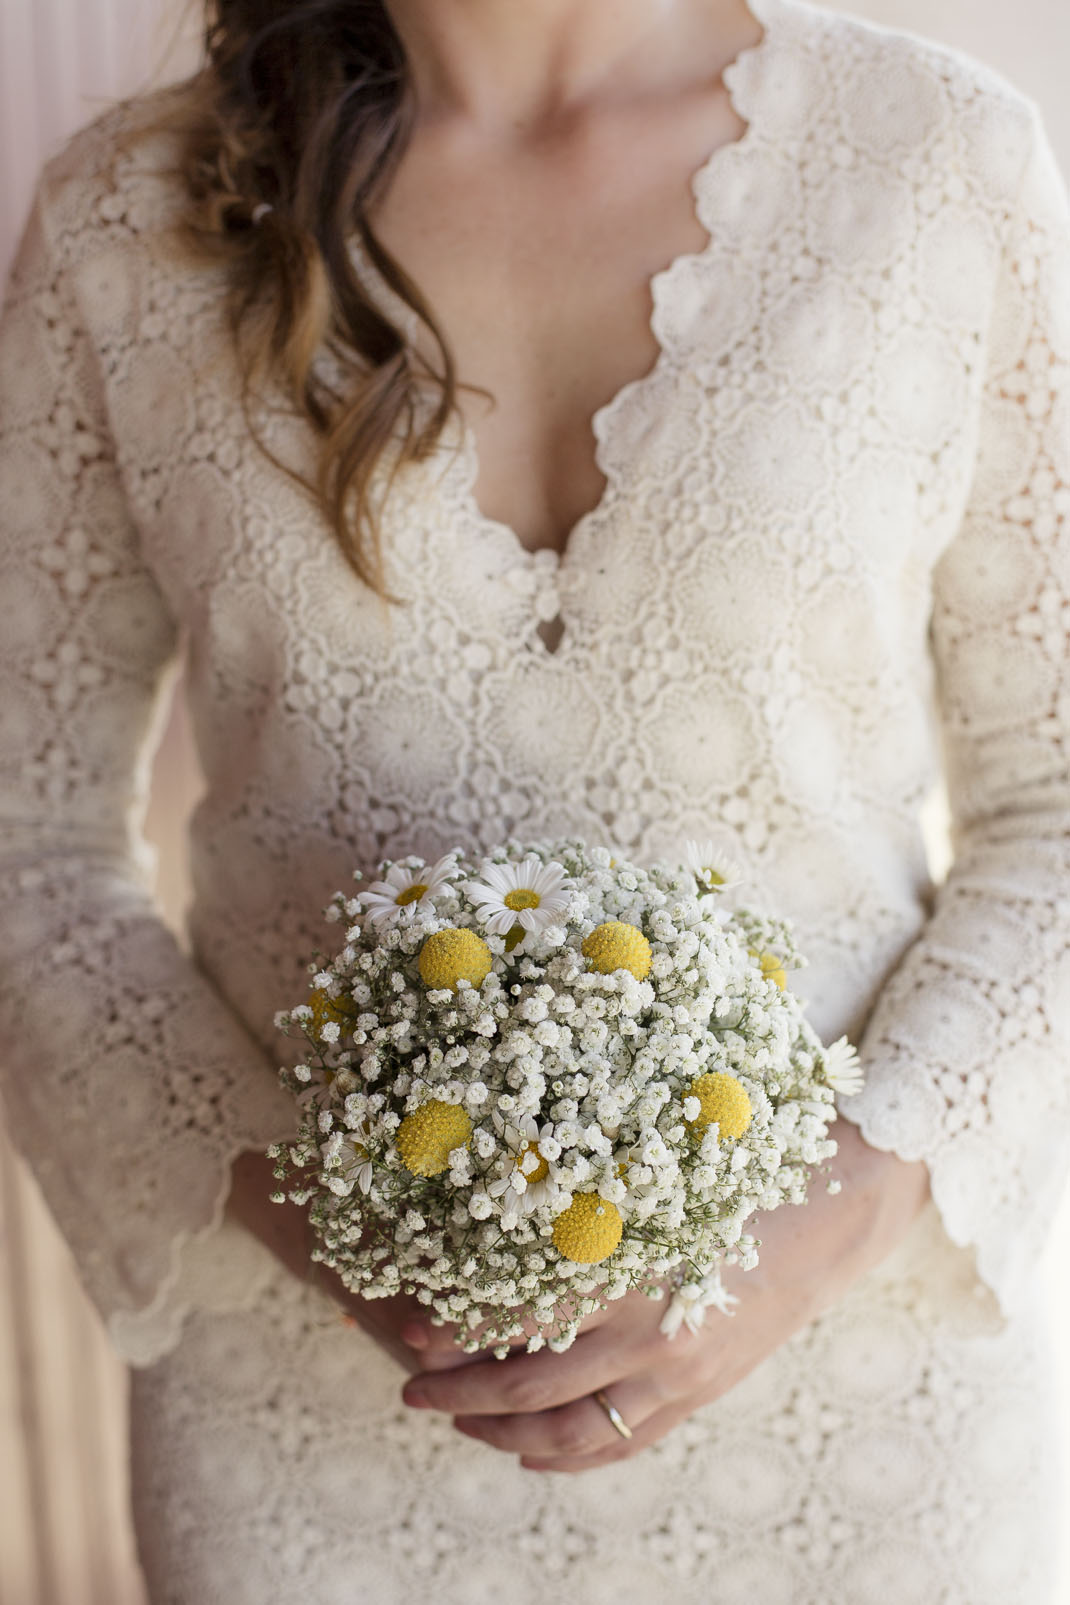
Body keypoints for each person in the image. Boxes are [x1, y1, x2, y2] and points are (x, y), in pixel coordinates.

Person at [1, 0, 1068, 1598]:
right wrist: (341, 1239)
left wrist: (816, 1220)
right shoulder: (130, 218)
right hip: (315, 1435)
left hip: (870, 1419)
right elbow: (23, 842)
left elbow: (1056, 801)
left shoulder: (933, 157)